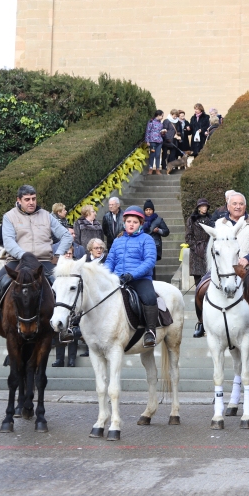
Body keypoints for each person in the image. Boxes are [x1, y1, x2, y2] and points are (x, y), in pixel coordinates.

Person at [0, 185, 72, 346]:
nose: (31, 202)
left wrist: (58, 254)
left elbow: (66, 236)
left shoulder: (46, 216)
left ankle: (64, 328)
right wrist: (24, 255)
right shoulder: (9, 216)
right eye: (27, 199)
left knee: (62, 286)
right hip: (18, 260)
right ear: (19, 200)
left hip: (44, 261)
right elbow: (8, 242)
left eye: (34, 199)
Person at [193, 191, 249, 338]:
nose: (238, 206)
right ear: (228, 206)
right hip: (223, 268)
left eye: (241, 204)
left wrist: (246, 259)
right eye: (234, 204)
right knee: (200, 288)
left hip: (248, 267)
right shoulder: (218, 223)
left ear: (245, 206)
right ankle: (201, 322)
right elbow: (212, 247)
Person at [104, 206, 160, 348]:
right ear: (124, 222)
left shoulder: (147, 239)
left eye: (135, 222)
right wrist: (106, 275)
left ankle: (150, 331)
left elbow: (150, 261)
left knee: (150, 298)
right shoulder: (117, 240)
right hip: (117, 279)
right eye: (128, 221)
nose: (131, 224)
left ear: (141, 224)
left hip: (140, 279)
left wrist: (132, 275)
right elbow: (110, 261)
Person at [185, 198, 213, 286]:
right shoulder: (192, 219)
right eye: (202, 206)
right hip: (196, 251)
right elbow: (188, 235)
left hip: (208, 248)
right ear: (198, 208)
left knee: (208, 275)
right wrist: (195, 247)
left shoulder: (211, 219)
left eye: (205, 206)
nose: (204, 208)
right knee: (197, 278)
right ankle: (198, 293)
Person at [143, 199, 170, 277]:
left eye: (150, 209)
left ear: (153, 210)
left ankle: (152, 280)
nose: (148, 211)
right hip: (143, 245)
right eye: (146, 210)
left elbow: (166, 232)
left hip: (154, 246)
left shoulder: (158, 220)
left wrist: (158, 230)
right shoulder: (141, 220)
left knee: (151, 265)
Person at [145, 110, 164, 175]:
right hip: (152, 141)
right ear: (158, 115)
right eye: (162, 116)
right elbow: (148, 131)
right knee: (152, 154)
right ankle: (150, 169)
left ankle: (157, 169)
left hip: (159, 141)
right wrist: (147, 140)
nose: (162, 117)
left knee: (158, 155)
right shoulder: (151, 122)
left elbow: (161, 133)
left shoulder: (161, 124)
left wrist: (163, 133)